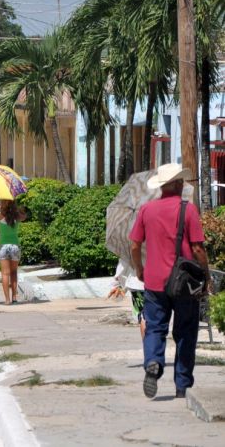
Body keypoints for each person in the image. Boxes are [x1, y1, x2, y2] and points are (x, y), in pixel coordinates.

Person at [129, 164, 211, 400]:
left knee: (155, 326)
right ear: (175, 185)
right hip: (184, 282)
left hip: (154, 280)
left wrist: (139, 268)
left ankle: (153, 362)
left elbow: (134, 245)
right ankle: (182, 385)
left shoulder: (147, 210)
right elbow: (197, 248)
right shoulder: (189, 210)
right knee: (186, 331)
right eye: (182, 182)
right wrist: (205, 275)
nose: (184, 185)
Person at [0, 199, 26, 305]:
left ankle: (7, 300)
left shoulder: (0, 216)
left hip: (3, 247)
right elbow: (24, 216)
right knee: (14, 273)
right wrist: (17, 209)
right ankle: (14, 298)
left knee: (5, 274)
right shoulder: (17, 216)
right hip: (15, 246)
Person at [109, 259, 146, 339]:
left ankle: (148, 349)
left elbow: (122, 266)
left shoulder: (132, 247)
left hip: (138, 284)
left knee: (144, 317)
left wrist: (117, 285)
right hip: (157, 283)